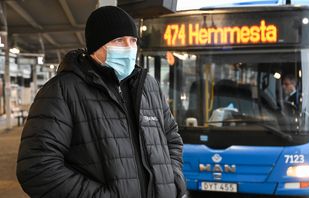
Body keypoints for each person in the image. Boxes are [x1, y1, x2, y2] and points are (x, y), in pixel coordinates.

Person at [16, 6, 186, 198]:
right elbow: (37, 168)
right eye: (119, 40)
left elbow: (172, 138)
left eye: (133, 41)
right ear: (96, 46)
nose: (129, 48)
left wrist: (173, 181)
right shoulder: (62, 90)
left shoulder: (148, 86)